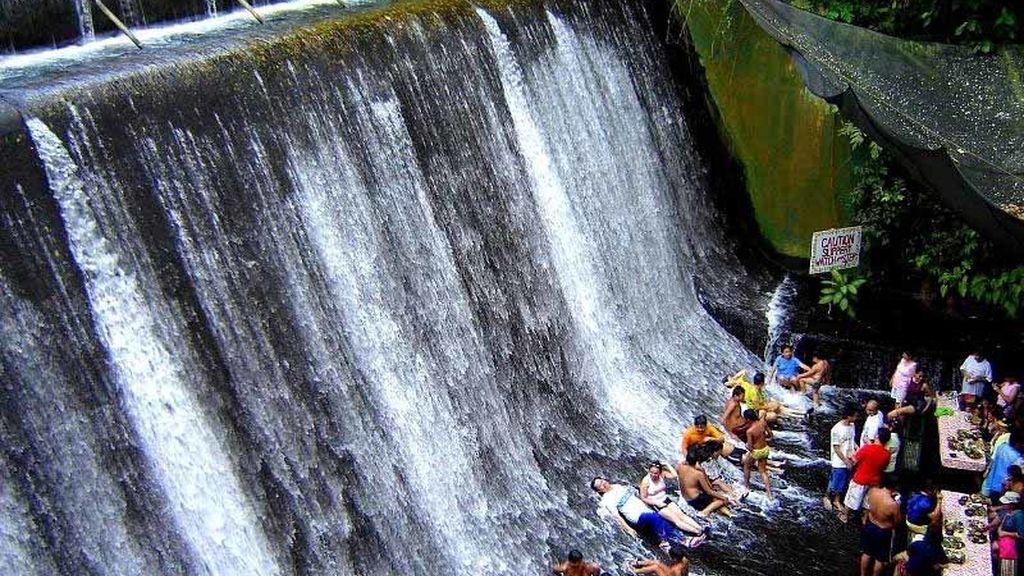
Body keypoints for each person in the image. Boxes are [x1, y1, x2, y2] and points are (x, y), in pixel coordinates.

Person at [592, 477, 680, 552]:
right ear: (599, 490)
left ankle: (669, 543)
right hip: (636, 517)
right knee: (654, 518)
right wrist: (628, 529)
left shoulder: (617, 486)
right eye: (600, 485)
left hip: (645, 510)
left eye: (602, 481)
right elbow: (616, 516)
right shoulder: (607, 500)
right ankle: (680, 539)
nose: (603, 484)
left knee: (660, 517)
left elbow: (635, 497)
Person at [638, 462, 704, 536]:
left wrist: (667, 465)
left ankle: (700, 528)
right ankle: (697, 532)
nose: (653, 475)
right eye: (651, 472)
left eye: (656, 473)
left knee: (682, 515)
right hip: (657, 504)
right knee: (676, 520)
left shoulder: (662, 475)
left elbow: (675, 475)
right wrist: (655, 503)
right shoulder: (646, 481)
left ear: (660, 472)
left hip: (665, 499)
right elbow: (643, 497)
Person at [859, 477, 901, 576]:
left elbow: (868, 506)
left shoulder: (873, 492)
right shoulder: (893, 504)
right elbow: (897, 522)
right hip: (883, 531)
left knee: (866, 553)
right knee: (880, 559)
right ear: (895, 487)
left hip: (870, 525)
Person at [826, 403, 859, 520]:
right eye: (854, 416)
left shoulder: (852, 426)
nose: (856, 418)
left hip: (850, 458)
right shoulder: (836, 429)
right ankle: (836, 500)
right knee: (838, 482)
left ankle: (831, 496)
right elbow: (836, 448)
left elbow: (852, 440)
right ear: (848, 416)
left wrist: (857, 450)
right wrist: (846, 461)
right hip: (840, 461)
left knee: (843, 480)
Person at [677, 452, 732, 518]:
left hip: (686, 498)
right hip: (696, 499)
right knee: (721, 500)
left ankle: (730, 515)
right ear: (697, 461)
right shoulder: (698, 474)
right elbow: (709, 491)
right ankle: (704, 513)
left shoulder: (680, 466)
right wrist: (724, 498)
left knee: (715, 501)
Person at [742, 408, 772, 501]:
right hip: (765, 449)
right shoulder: (763, 423)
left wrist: (746, 446)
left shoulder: (749, 431)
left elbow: (750, 447)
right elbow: (770, 434)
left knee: (746, 465)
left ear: (748, 419)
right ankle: (769, 494)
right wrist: (765, 440)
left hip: (757, 452)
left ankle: (746, 486)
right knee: (763, 471)